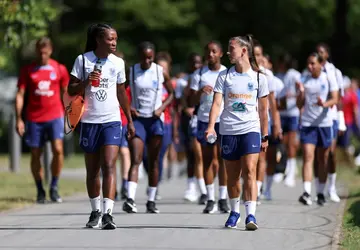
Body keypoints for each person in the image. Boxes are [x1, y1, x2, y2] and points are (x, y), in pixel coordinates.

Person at [68, 23, 135, 229]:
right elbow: (71, 89)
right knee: (93, 171)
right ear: (98, 40)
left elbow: (121, 92)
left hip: (112, 120)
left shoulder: (118, 63)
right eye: (109, 39)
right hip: (89, 121)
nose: (113, 43)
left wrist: (129, 120)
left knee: (109, 165)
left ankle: (108, 214)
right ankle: (95, 210)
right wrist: (86, 82)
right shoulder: (82, 60)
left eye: (115, 39)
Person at [206, 35, 269, 230]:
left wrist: (265, 136)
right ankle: (235, 212)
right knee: (232, 176)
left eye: (231, 48)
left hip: (250, 129)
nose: (227, 52)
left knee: (250, 171)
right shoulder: (224, 76)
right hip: (229, 130)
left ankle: (251, 214)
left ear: (243, 51)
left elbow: (263, 111)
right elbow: (217, 103)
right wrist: (210, 126)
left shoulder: (259, 77)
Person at [15, 37, 70, 204]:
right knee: (35, 154)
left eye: (45, 52)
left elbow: (66, 93)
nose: (42, 54)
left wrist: (70, 114)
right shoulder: (28, 71)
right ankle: (40, 189)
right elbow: (20, 95)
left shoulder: (59, 69)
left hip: (55, 115)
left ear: (50, 51)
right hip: (34, 118)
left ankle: (54, 186)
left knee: (58, 150)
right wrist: (19, 119)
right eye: (39, 51)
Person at [122, 41, 174, 214]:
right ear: (139, 57)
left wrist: (161, 108)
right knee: (136, 158)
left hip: (155, 120)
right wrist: (129, 107)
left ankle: (151, 200)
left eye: (150, 57)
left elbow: (172, 93)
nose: (147, 61)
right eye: (144, 57)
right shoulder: (132, 71)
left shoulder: (160, 71)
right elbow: (120, 91)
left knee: (153, 162)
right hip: (138, 121)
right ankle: (130, 199)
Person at [188, 41, 230, 214]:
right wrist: (199, 92)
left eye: (214, 51)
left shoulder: (227, 73)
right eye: (208, 52)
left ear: (220, 54)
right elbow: (190, 101)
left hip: (223, 121)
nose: (211, 54)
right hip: (204, 121)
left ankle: (223, 199)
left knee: (222, 160)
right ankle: (210, 198)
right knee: (206, 160)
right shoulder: (199, 74)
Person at [297, 52, 338, 206]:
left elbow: (335, 98)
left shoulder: (328, 78)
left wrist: (324, 104)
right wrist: (300, 93)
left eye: (313, 63)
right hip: (308, 124)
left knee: (323, 159)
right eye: (308, 63)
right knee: (308, 156)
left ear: (320, 64)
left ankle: (320, 192)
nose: (310, 66)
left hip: (324, 123)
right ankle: (306, 192)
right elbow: (299, 105)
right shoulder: (304, 79)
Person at [315, 43, 346, 202]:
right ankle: (318, 189)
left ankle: (331, 187)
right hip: (316, 118)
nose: (319, 54)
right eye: (317, 52)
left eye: (322, 52)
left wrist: (341, 120)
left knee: (331, 152)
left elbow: (339, 98)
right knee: (319, 154)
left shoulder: (335, 72)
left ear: (327, 54)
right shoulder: (312, 71)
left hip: (332, 117)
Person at [253, 42, 281, 203]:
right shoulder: (244, 74)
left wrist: (277, 124)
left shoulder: (267, 76)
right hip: (246, 120)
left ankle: (256, 189)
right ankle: (250, 186)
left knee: (262, 158)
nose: (256, 58)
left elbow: (273, 103)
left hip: (263, 121)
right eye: (253, 54)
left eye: (259, 54)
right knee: (249, 158)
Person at [177, 53, 207, 204]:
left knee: (205, 156)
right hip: (189, 119)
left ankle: (206, 188)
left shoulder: (206, 76)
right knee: (192, 154)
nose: (196, 66)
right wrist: (186, 108)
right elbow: (181, 99)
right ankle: (192, 187)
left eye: (198, 63)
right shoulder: (183, 80)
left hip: (206, 118)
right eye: (193, 63)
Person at [276, 53, 302, 187]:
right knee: (283, 143)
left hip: (292, 113)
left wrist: (292, 94)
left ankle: (291, 172)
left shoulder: (294, 74)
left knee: (292, 143)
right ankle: (286, 167)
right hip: (281, 113)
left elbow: (301, 90)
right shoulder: (278, 76)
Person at [262, 54, 285, 200]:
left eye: (263, 59)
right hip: (253, 122)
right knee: (258, 158)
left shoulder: (271, 78)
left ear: (269, 64)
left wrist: (277, 124)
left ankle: (267, 188)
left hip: (269, 122)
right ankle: (256, 188)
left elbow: (277, 105)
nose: (260, 61)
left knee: (270, 157)